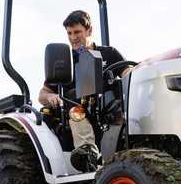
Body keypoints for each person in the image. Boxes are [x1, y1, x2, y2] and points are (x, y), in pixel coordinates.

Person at [38, 10, 130, 172]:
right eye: (69, 33)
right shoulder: (65, 61)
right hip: (77, 110)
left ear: (89, 30)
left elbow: (127, 73)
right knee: (77, 113)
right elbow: (42, 94)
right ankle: (87, 156)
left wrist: (138, 71)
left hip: (109, 110)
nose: (73, 37)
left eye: (77, 32)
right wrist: (51, 96)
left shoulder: (109, 53)